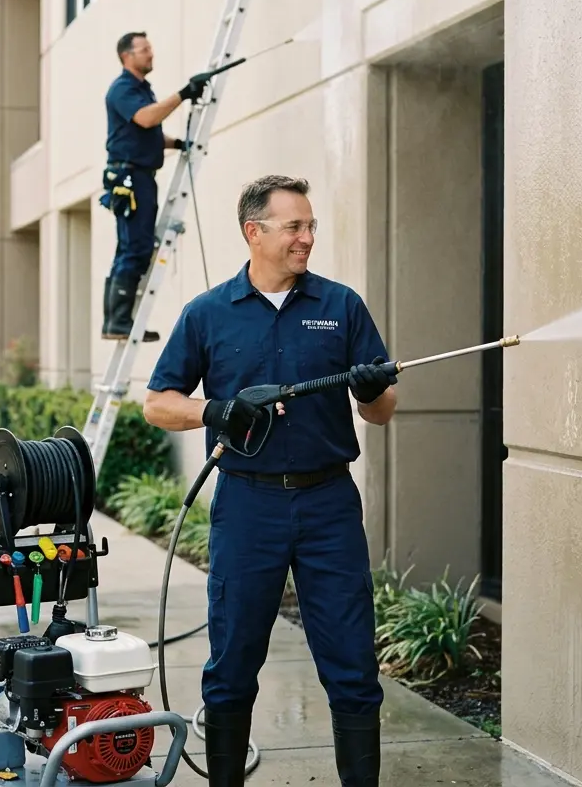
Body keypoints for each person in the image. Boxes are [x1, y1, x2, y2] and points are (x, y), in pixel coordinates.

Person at [142, 175, 398, 786]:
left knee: (354, 667)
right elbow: (157, 403)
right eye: (295, 227)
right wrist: (217, 410)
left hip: (329, 502)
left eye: (311, 226)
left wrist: (372, 390)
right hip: (248, 505)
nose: (308, 238)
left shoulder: (341, 306)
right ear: (253, 233)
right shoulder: (207, 314)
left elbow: (382, 408)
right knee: (232, 664)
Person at [101, 30, 212, 341]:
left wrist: (177, 143)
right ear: (127, 56)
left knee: (132, 246)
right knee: (134, 247)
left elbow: (146, 133)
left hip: (138, 175)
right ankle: (119, 321)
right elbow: (146, 120)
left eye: (150, 48)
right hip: (131, 178)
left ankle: (117, 321)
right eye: (144, 49)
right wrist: (184, 94)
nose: (151, 53)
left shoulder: (141, 89)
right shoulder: (123, 89)